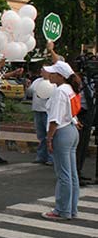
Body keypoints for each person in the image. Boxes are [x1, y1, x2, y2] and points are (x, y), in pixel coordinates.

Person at [42, 61, 82, 220]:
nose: (49, 75)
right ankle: (71, 209)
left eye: (52, 73)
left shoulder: (60, 92)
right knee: (71, 174)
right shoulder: (70, 89)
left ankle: (62, 210)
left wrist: (49, 138)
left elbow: (55, 119)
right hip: (71, 131)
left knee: (63, 174)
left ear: (60, 76)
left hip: (62, 132)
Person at [27, 65, 53, 166]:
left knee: (49, 136)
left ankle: (51, 158)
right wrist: (27, 86)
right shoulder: (37, 81)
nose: (41, 71)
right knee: (41, 136)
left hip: (47, 112)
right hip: (37, 110)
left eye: (44, 70)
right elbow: (30, 92)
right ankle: (41, 156)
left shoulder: (53, 83)